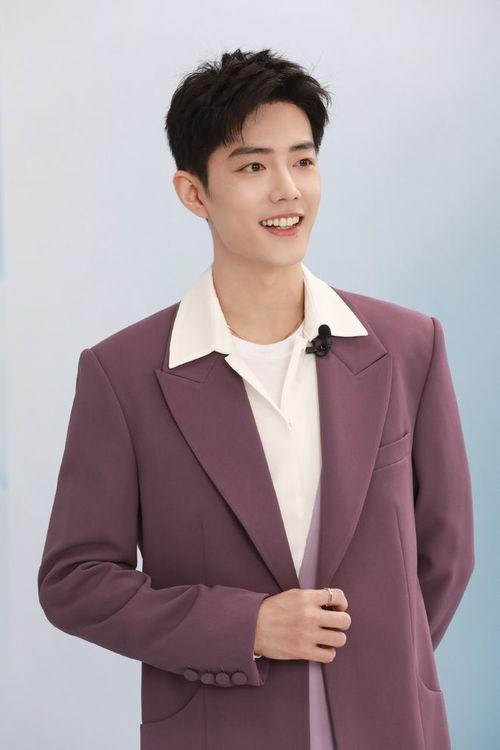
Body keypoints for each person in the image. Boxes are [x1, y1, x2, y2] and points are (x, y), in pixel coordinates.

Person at [38, 48, 475, 750]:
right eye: (252, 167)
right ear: (193, 193)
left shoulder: (408, 346)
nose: (287, 190)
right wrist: (245, 628)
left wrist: (383, 664)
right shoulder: (122, 375)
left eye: (303, 161)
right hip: (219, 729)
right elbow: (74, 581)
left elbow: (445, 552)